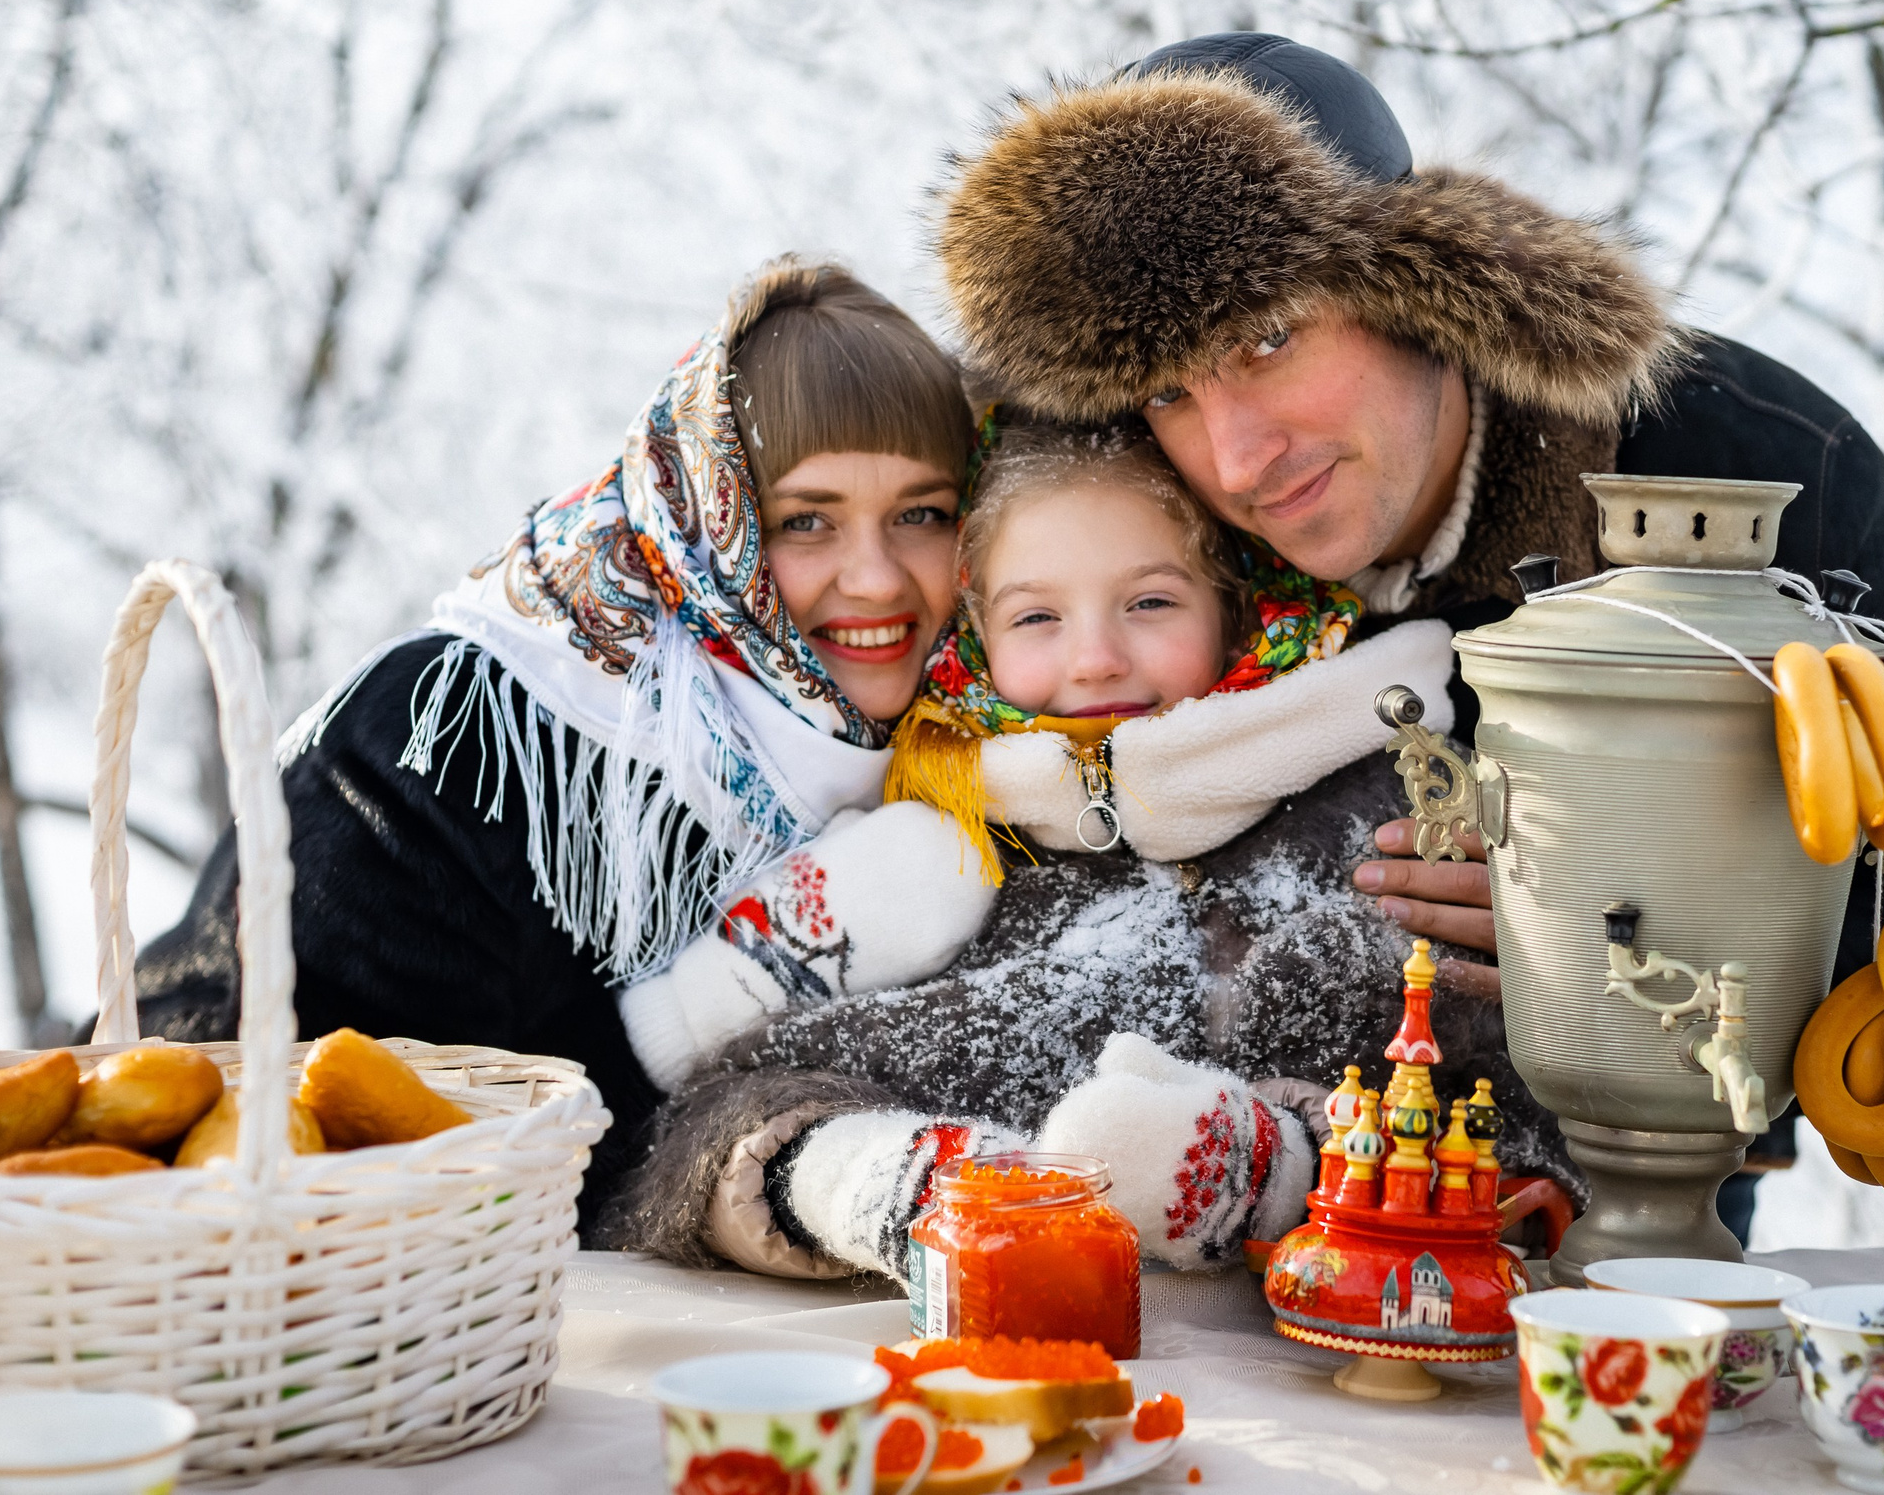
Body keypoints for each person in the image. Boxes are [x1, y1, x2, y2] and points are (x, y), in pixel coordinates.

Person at [929, 33, 1884, 1240]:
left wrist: (1637, 939)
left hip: (1618, 1202)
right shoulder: (1139, 523)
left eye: (1268, 340)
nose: (1238, 456)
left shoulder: (1744, 466)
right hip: (1196, 1177)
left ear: (1420, 291)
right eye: (1166, 391)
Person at [125, 260, 978, 1227]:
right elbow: (384, 1131)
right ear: (705, 518)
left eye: (922, 513)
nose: (875, 578)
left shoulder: (933, 740)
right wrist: (702, 1005)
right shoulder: (465, 733)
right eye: (806, 521)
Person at [602, 423, 1531, 1279]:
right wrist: (854, 1174)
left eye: (1151, 601)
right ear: (975, 633)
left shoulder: (1380, 796)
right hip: (975, 1335)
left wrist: (1289, 1154)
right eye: (1038, 617)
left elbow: (1496, 1096)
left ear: (1235, 606)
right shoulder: (949, 837)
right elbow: (709, 1117)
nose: (1095, 658)